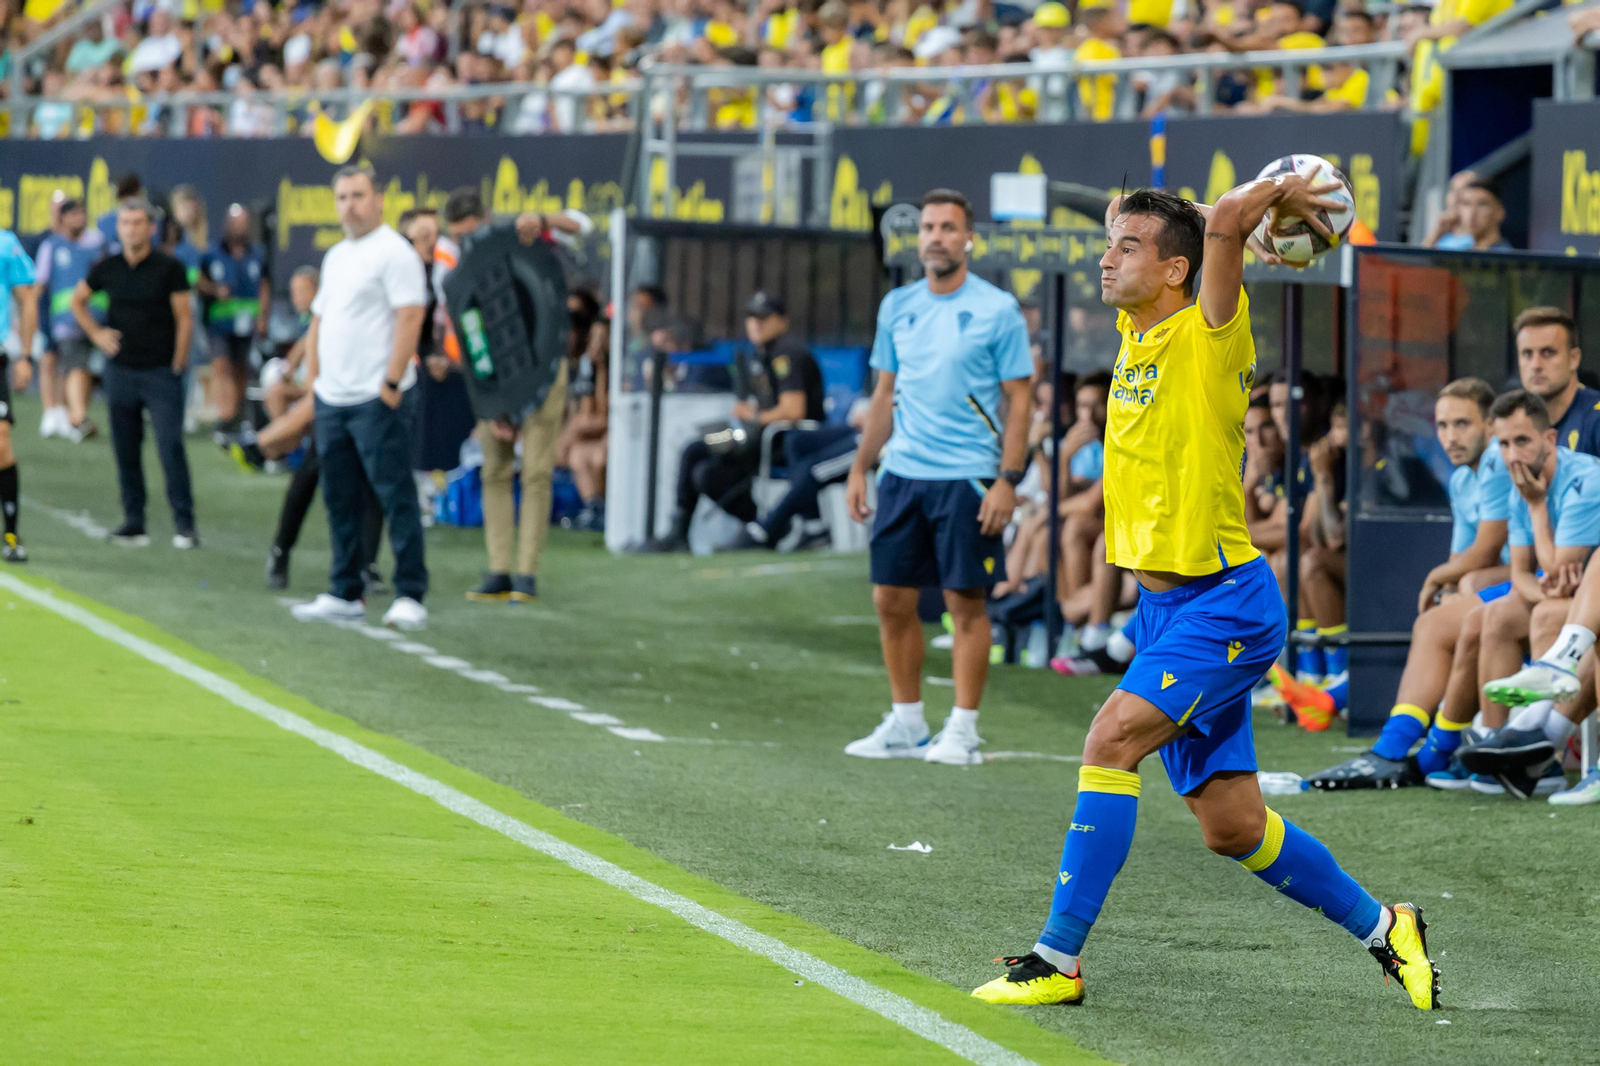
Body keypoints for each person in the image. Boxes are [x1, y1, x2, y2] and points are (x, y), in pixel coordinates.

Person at [971, 181, 1441, 1011]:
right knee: (1233, 827)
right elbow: (1191, 224)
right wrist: (1150, 212)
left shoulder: (1208, 336)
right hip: (1166, 611)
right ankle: (1386, 926)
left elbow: (1221, 220)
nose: (1107, 257)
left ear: (1177, 269)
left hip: (1225, 602)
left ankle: (1057, 959)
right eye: (1110, 243)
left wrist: (1282, 190)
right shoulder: (1134, 328)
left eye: (1127, 247)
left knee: (1110, 737)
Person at [843, 189, 1033, 767]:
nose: (936, 237)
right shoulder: (897, 305)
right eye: (928, 226)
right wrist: (860, 466)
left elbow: (1020, 401)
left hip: (969, 477)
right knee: (890, 599)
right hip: (903, 473)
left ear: (968, 238)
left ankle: (964, 730)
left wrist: (1008, 479)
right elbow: (884, 393)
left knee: (964, 603)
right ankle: (906, 721)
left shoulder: (999, 309)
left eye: (949, 227)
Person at [1305, 378, 1512, 789]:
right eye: (1442, 425)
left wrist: (1441, 579)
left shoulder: (1498, 462)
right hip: (1501, 585)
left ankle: (1398, 750)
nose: (1450, 437)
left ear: (1490, 425)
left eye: (1462, 424)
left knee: (1442, 615)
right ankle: (1426, 749)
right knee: (1447, 609)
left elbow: (1488, 548)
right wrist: (1450, 585)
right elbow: (1463, 557)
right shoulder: (1460, 479)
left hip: (1539, 583)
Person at [289, 165, 429, 630]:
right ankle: (344, 588)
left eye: (358, 195)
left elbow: (410, 316)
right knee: (339, 497)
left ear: (379, 199)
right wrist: (316, 381)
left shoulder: (394, 252)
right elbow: (321, 320)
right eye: (342, 197)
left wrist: (390, 383)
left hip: (375, 396)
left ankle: (411, 591)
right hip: (335, 396)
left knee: (394, 495)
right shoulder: (337, 256)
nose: (349, 205)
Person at [1453, 390, 1600, 797]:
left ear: (1549, 440)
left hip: (1587, 602)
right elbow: (1524, 574)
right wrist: (1545, 588)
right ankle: (1500, 746)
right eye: (1503, 443)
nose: (1512, 455)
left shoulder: (1584, 478)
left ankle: (1533, 749)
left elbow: (1556, 566)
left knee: (1548, 614)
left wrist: (1537, 508)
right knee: (1498, 615)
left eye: (1522, 441)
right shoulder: (1521, 480)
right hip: (1577, 601)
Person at [441, 188, 580, 602]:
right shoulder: (461, 270)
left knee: (537, 471)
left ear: (486, 219)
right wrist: (495, 401)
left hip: (544, 368)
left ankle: (527, 574)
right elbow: (471, 333)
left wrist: (543, 219)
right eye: (459, 236)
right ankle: (499, 569)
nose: (467, 242)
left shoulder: (525, 234)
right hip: (493, 379)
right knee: (494, 471)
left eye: (471, 232)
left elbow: (581, 224)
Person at [641, 291, 825, 554]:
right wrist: (748, 412)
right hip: (751, 437)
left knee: (705, 470)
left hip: (782, 440)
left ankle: (764, 527)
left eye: (764, 317)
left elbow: (794, 410)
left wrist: (754, 416)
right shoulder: (758, 355)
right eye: (751, 317)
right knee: (697, 451)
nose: (755, 324)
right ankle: (679, 533)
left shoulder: (787, 353)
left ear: (782, 322)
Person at [72, 198, 197, 550]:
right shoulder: (107, 266)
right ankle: (134, 521)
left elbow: (184, 317)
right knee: (126, 449)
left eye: (138, 222)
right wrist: (96, 334)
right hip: (121, 371)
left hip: (160, 372)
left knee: (170, 446)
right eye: (125, 223)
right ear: (119, 227)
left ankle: (185, 524)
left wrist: (178, 363)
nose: (131, 229)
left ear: (151, 228)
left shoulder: (169, 267)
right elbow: (77, 301)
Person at [32, 196, 105, 442]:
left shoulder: (97, 244)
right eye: (73, 214)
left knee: (83, 368)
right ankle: (76, 416)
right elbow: (38, 286)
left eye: (82, 214)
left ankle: (72, 414)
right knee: (72, 364)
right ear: (62, 218)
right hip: (64, 321)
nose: (79, 219)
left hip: (96, 321)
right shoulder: (51, 246)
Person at [197, 203, 271, 434]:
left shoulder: (257, 253)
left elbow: (264, 285)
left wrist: (263, 316)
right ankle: (225, 416)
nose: (240, 228)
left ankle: (237, 414)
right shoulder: (211, 252)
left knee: (240, 369)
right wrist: (213, 289)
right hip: (219, 323)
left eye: (244, 224)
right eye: (236, 223)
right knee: (221, 366)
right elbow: (196, 279)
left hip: (246, 322)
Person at [0, 226, 38, 563]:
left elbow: (27, 300)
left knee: (0, 444)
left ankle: (11, 534)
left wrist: (25, 356)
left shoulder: (5, 244)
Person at [1425, 181, 1512, 251]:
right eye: (1466, 204)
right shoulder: (1458, 249)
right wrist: (1437, 234)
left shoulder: (1507, 258)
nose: (1472, 213)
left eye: (1482, 204)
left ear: (1499, 213)